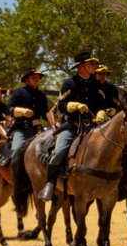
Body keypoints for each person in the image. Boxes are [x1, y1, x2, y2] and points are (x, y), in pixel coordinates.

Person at [38, 50, 106, 201]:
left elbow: (102, 103)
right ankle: (49, 184)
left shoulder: (96, 83)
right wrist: (74, 106)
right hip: (73, 125)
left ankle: (117, 184)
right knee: (59, 152)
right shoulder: (69, 83)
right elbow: (61, 105)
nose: (94, 66)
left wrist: (102, 112)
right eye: (91, 64)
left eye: (94, 63)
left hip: (93, 126)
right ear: (81, 66)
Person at [3, 67, 50, 166]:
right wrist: (21, 111)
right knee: (16, 150)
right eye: (33, 77)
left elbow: (45, 115)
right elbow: (9, 109)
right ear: (26, 79)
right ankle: (16, 180)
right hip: (22, 129)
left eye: (38, 77)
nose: (36, 79)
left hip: (38, 130)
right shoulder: (19, 92)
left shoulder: (41, 95)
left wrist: (56, 115)